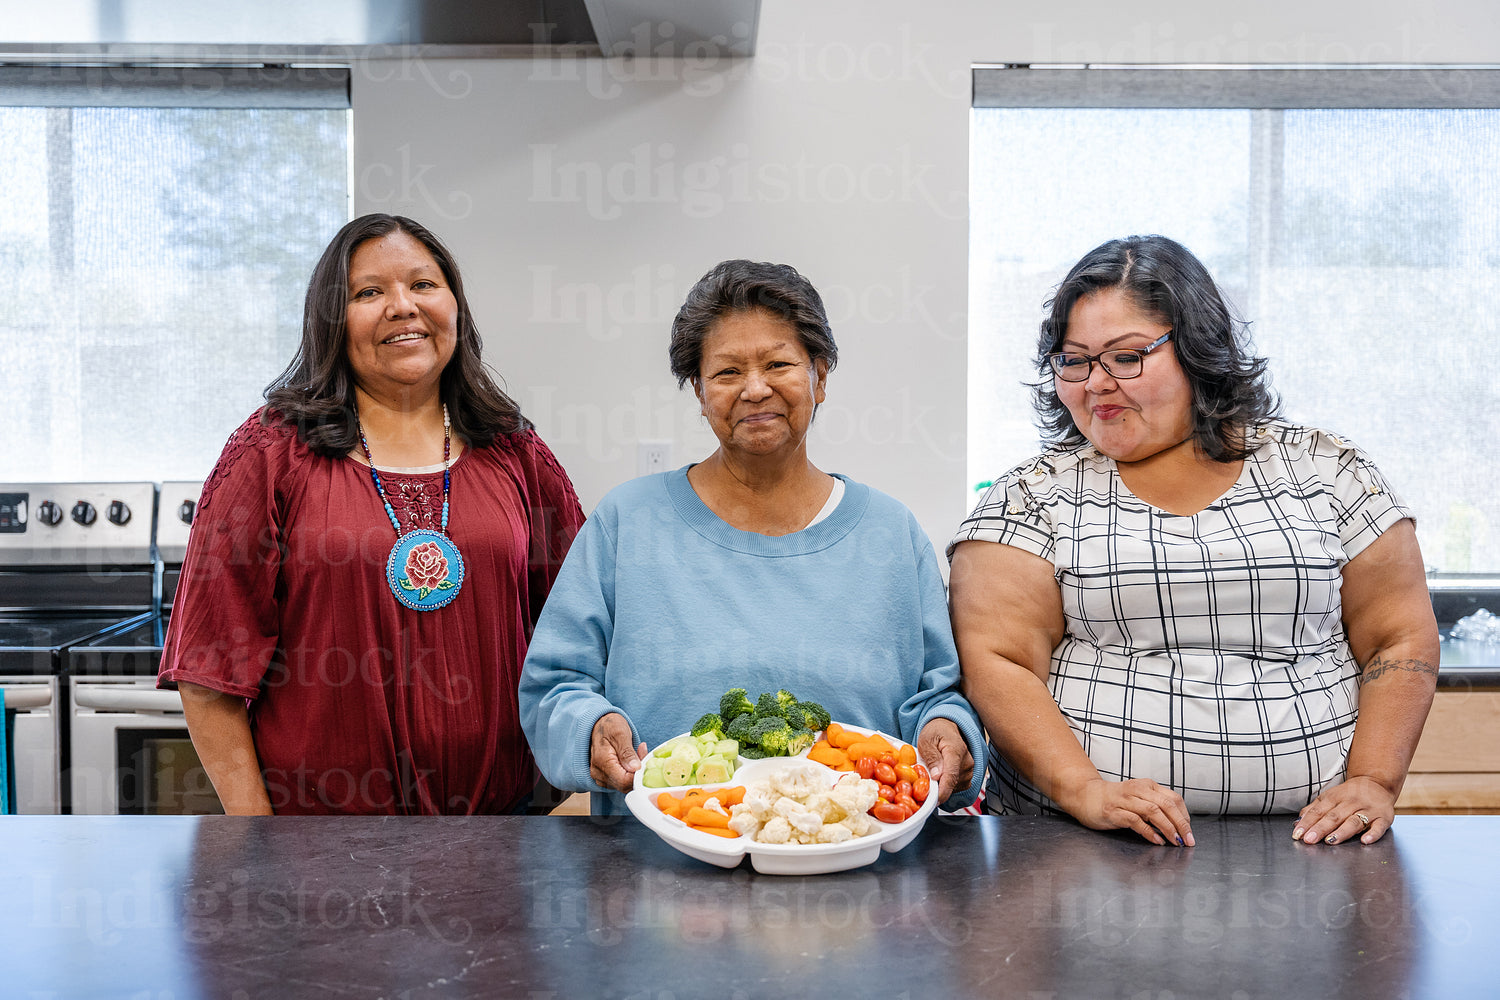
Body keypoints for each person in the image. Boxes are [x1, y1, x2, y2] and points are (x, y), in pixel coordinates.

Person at [949, 235, 1439, 847]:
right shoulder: (1030, 497)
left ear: (1198, 350)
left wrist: (1373, 780)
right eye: (1074, 360)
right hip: (1077, 843)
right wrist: (1086, 791)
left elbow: (1400, 636)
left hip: (1313, 846)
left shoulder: (1327, 470)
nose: (1095, 383)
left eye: (1126, 357)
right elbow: (999, 662)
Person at [519, 260, 984, 812]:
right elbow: (554, 684)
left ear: (821, 376)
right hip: (654, 866)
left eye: (779, 363)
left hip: (854, 858)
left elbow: (938, 694)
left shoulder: (890, 533)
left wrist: (948, 731)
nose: (755, 389)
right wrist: (590, 727)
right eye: (727, 372)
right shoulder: (627, 521)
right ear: (698, 389)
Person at [158, 214, 584, 815]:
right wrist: (256, 841)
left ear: (454, 306)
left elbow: (582, 640)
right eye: (368, 292)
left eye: (423, 285)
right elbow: (208, 671)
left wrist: (576, 801)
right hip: (316, 852)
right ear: (331, 320)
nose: (402, 307)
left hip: (500, 837)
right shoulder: (269, 455)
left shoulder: (514, 450)